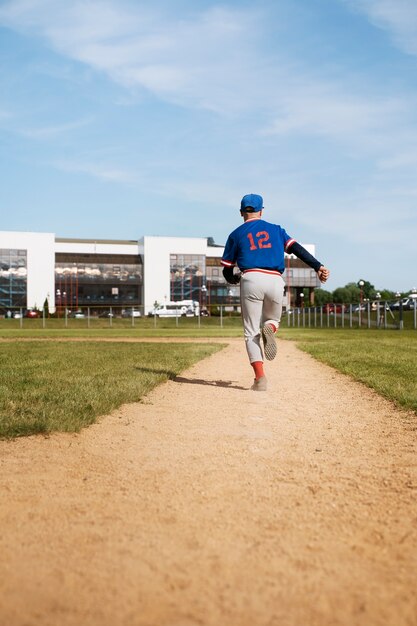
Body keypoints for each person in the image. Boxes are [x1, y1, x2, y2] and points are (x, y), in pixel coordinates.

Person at [221, 193, 330, 391]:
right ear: (261, 211)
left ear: (241, 212)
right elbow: (297, 249)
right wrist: (317, 266)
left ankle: (260, 378)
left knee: (251, 331)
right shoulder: (276, 230)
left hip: (251, 278)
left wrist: (235, 278)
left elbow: (227, 270)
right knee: (273, 320)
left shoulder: (235, 234)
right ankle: (270, 329)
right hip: (274, 279)